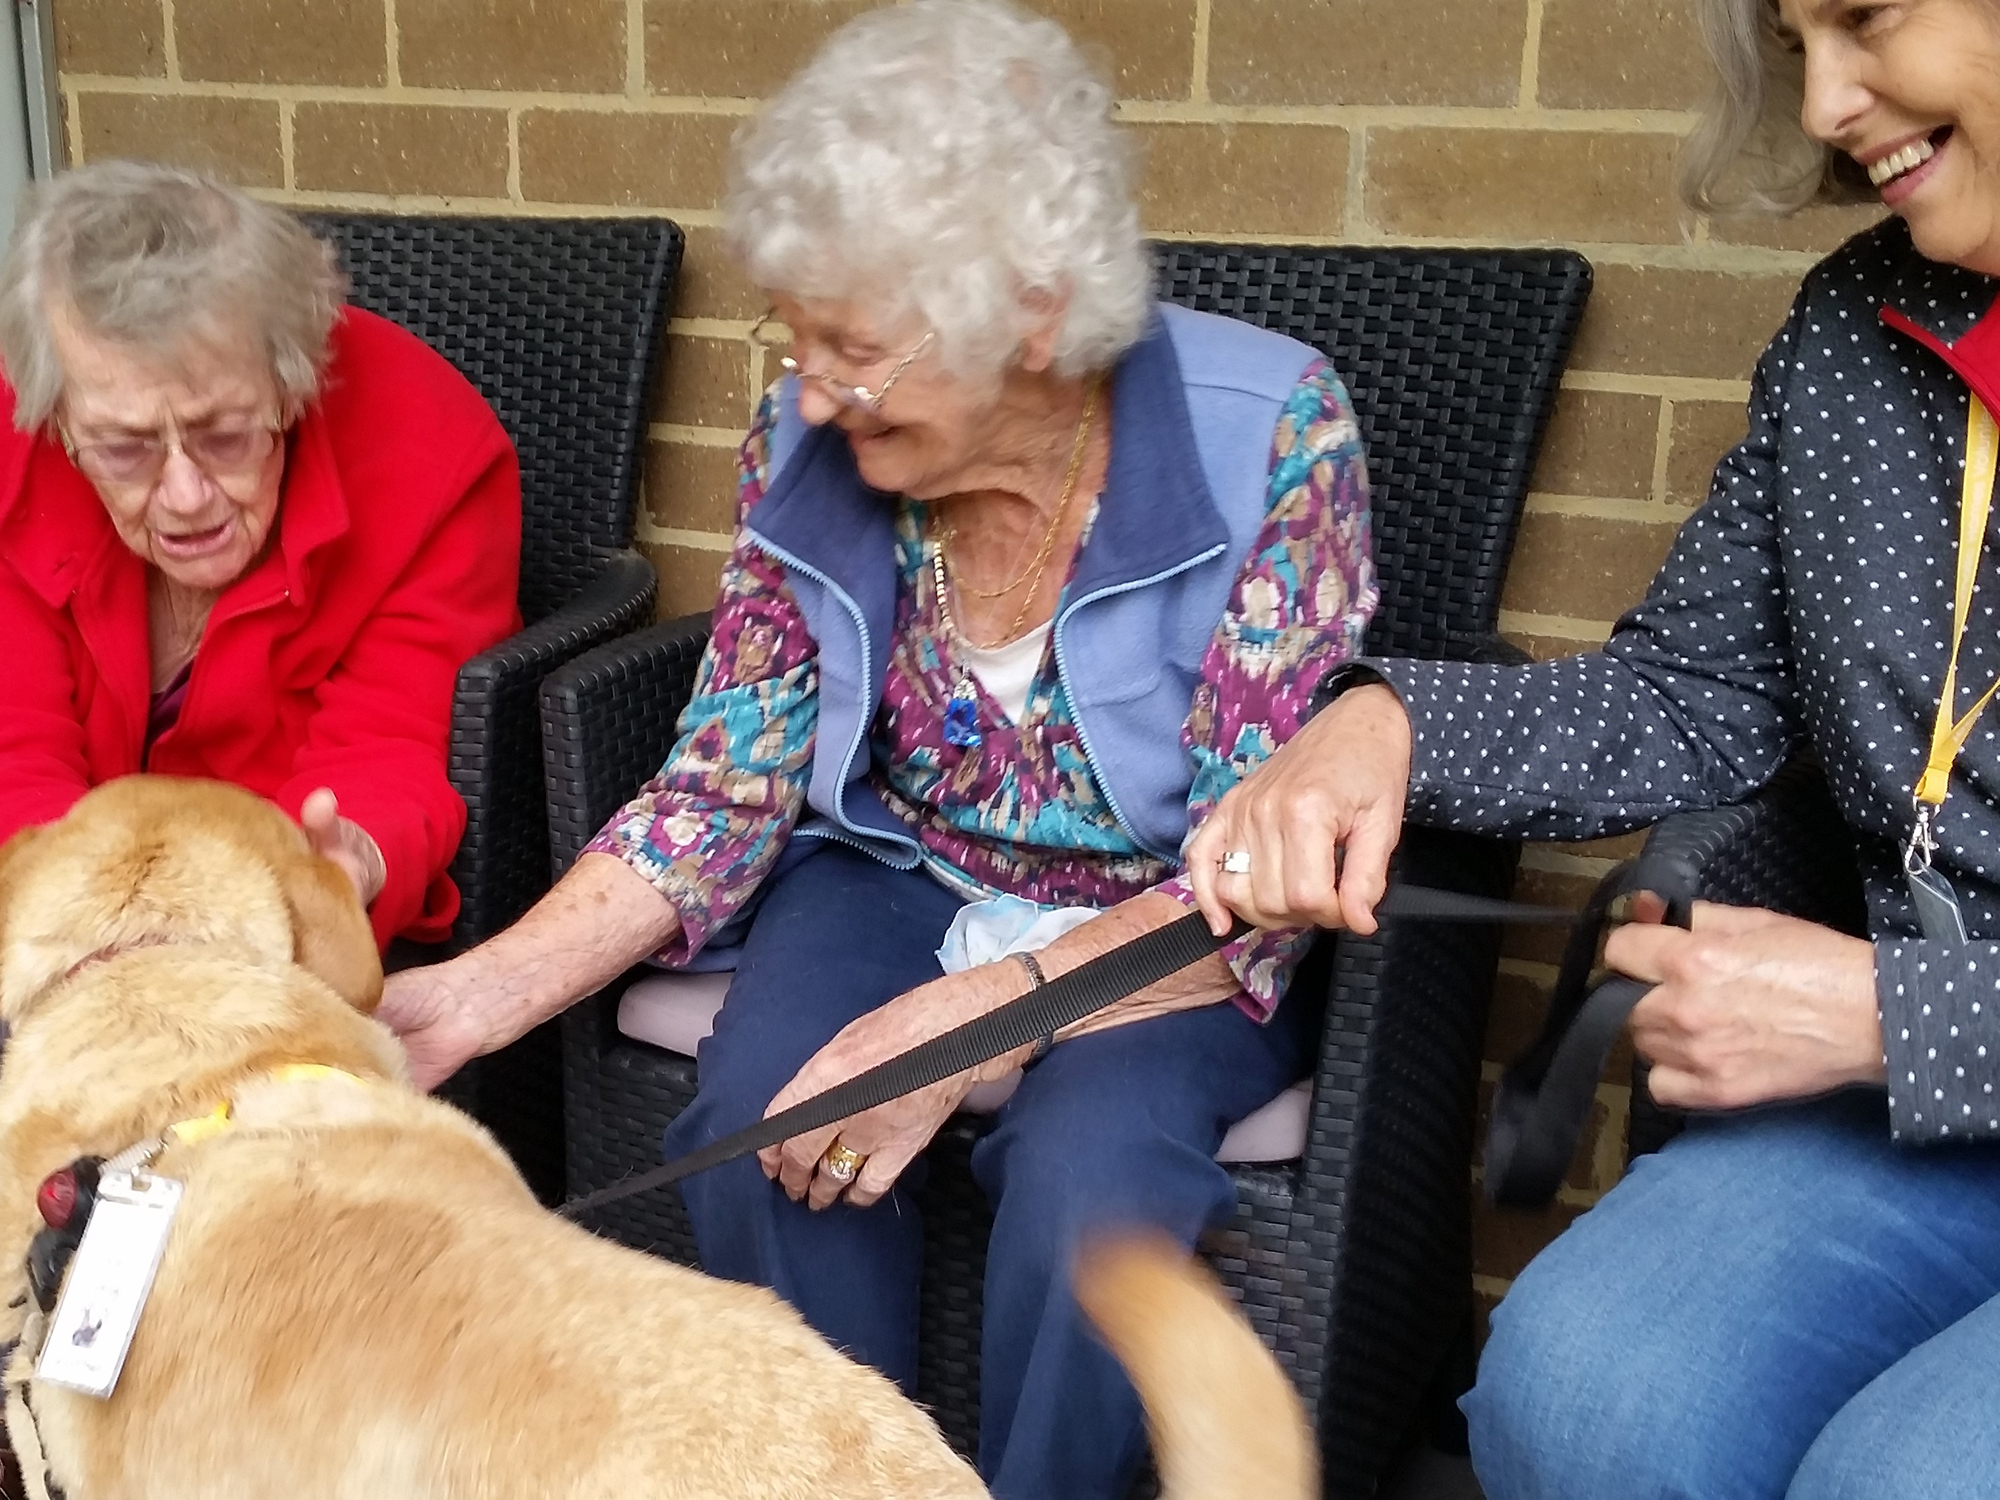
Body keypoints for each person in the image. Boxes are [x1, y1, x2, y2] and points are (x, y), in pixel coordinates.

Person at [377, 2, 1375, 1493]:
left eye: (852, 345)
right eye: (796, 337)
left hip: (1169, 917)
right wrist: (476, 992)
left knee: (1090, 1190)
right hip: (899, 864)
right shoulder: (814, 441)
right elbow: (732, 777)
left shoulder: (1268, 434)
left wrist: (979, 1018)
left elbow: (1258, 866)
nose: (810, 389)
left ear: (1033, 312)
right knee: (765, 1113)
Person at [1185, 0, 2000, 1496]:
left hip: (1928, 1043)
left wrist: (1904, 1016)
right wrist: (1386, 721)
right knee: (1581, 1393)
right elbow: (1689, 689)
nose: (1822, 104)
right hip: (1926, 1124)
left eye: (1867, 17)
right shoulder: (1853, 335)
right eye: (1793, 37)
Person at [0, 161, 521, 948]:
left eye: (224, 436)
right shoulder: (20, 437)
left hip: (268, 916)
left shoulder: (431, 460)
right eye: (124, 449)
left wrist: (345, 864)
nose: (184, 494)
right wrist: (88, 932)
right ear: (60, 423)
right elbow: (14, 748)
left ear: (290, 384)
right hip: (53, 906)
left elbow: (389, 744)